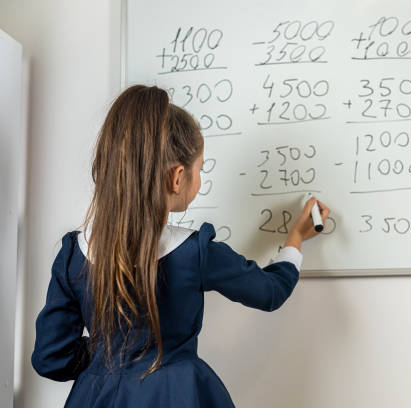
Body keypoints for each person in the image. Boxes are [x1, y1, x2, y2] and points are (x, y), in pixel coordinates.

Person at [31, 85, 330, 407]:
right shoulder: (195, 251)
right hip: (178, 395)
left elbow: (52, 358)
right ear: (177, 177)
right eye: (200, 168)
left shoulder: (73, 254)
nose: (199, 178)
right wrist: (294, 240)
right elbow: (270, 292)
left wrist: (110, 356)